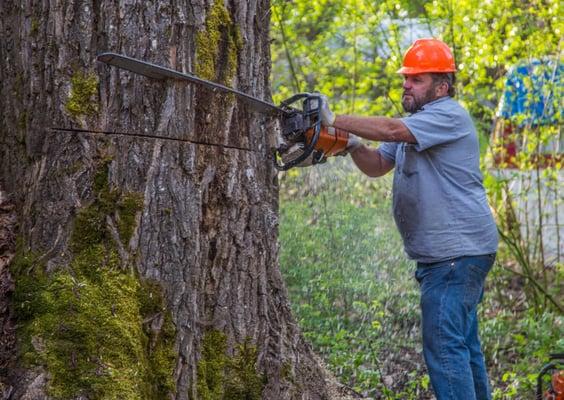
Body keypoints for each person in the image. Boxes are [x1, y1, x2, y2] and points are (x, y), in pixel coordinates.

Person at [318, 38, 499, 400]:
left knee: (445, 349)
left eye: (416, 80)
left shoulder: (448, 115)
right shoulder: (418, 123)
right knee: (462, 344)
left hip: (455, 256)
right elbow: (378, 166)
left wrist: (335, 119)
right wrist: (353, 144)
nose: (406, 84)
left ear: (441, 87)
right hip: (451, 255)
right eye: (406, 78)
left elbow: (390, 130)